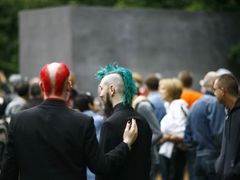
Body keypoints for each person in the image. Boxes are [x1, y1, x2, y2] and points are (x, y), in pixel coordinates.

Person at [0, 62, 138, 180]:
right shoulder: (82, 122)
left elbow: (8, 172)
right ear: (69, 85)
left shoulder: (18, 121)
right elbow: (102, 167)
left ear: (42, 86)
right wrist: (125, 144)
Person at [95, 64, 152, 180]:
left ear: (112, 89)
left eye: (101, 88)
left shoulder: (110, 124)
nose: (100, 94)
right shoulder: (143, 121)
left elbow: (102, 169)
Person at [184, 71, 225, 180]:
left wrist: (197, 152)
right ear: (214, 85)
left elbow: (187, 136)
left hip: (198, 158)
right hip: (214, 158)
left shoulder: (195, 105)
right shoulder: (216, 103)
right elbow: (219, 133)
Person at [158, 78, 188, 180]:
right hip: (168, 151)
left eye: (163, 89)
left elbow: (182, 134)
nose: (159, 91)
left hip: (174, 152)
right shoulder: (169, 106)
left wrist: (166, 138)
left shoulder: (177, 106)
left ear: (171, 91)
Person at [214, 74, 240, 180]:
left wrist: (234, 172)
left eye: (215, 90)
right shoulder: (228, 111)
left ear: (222, 90)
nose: (214, 93)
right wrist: (219, 165)